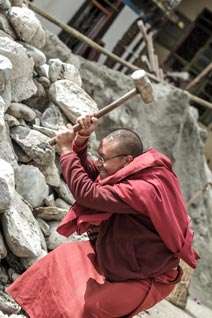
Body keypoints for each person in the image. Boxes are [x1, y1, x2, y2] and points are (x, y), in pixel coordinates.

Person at [7, 114, 200, 318]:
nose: (98, 163)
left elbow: (88, 193)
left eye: (103, 158)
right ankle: (26, 312)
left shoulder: (144, 189)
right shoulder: (131, 171)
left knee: (90, 308)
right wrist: (81, 140)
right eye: (98, 156)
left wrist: (66, 150)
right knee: (61, 258)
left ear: (127, 160)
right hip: (116, 256)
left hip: (144, 277)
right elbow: (93, 174)